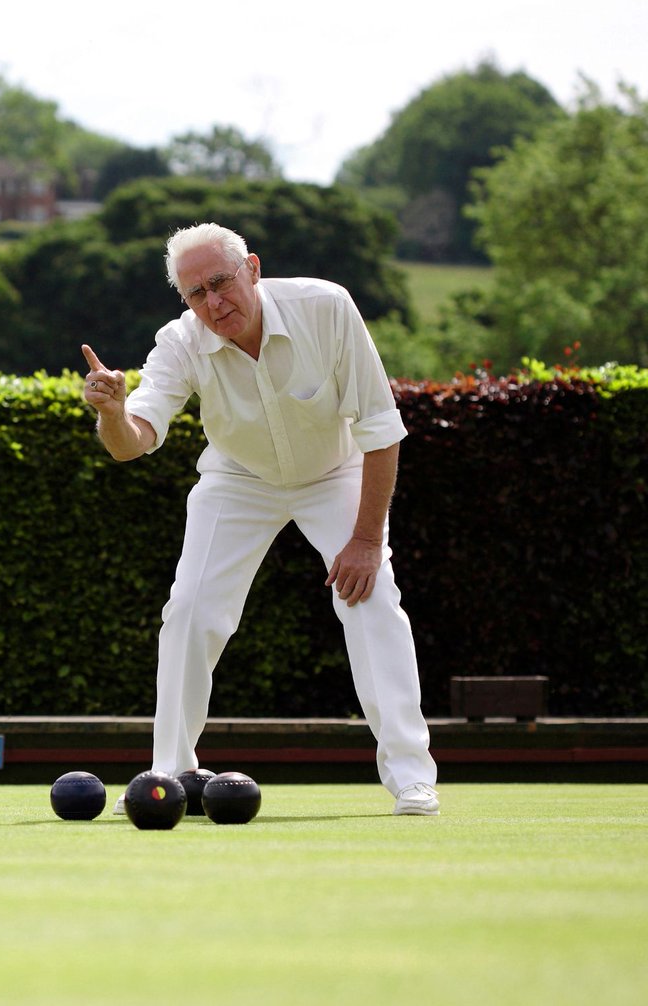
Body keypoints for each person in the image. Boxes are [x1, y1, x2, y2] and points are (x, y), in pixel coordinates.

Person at [81, 222, 439, 816]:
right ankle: (166, 775)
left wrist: (366, 540)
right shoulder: (178, 342)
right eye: (196, 294)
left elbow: (380, 431)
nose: (213, 303)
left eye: (220, 282)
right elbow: (132, 442)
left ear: (252, 267)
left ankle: (410, 775)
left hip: (334, 472)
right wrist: (114, 412)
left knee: (373, 599)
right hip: (238, 479)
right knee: (190, 609)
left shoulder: (326, 306)